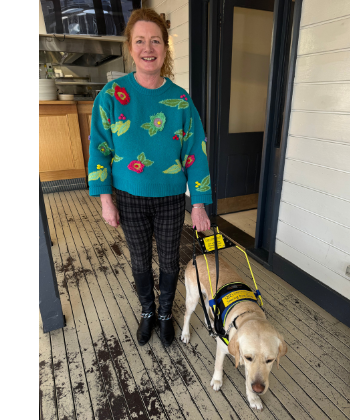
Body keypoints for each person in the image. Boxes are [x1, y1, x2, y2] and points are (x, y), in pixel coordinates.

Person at [87, 8, 212, 348]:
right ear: (130, 47)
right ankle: (147, 311)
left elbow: (195, 153)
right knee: (140, 260)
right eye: (140, 41)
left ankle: (165, 314)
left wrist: (199, 204)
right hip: (129, 196)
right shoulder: (110, 96)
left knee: (169, 260)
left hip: (170, 197)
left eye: (155, 41)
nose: (148, 48)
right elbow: (99, 150)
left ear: (165, 48)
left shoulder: (181, 100)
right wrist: (106, 201)